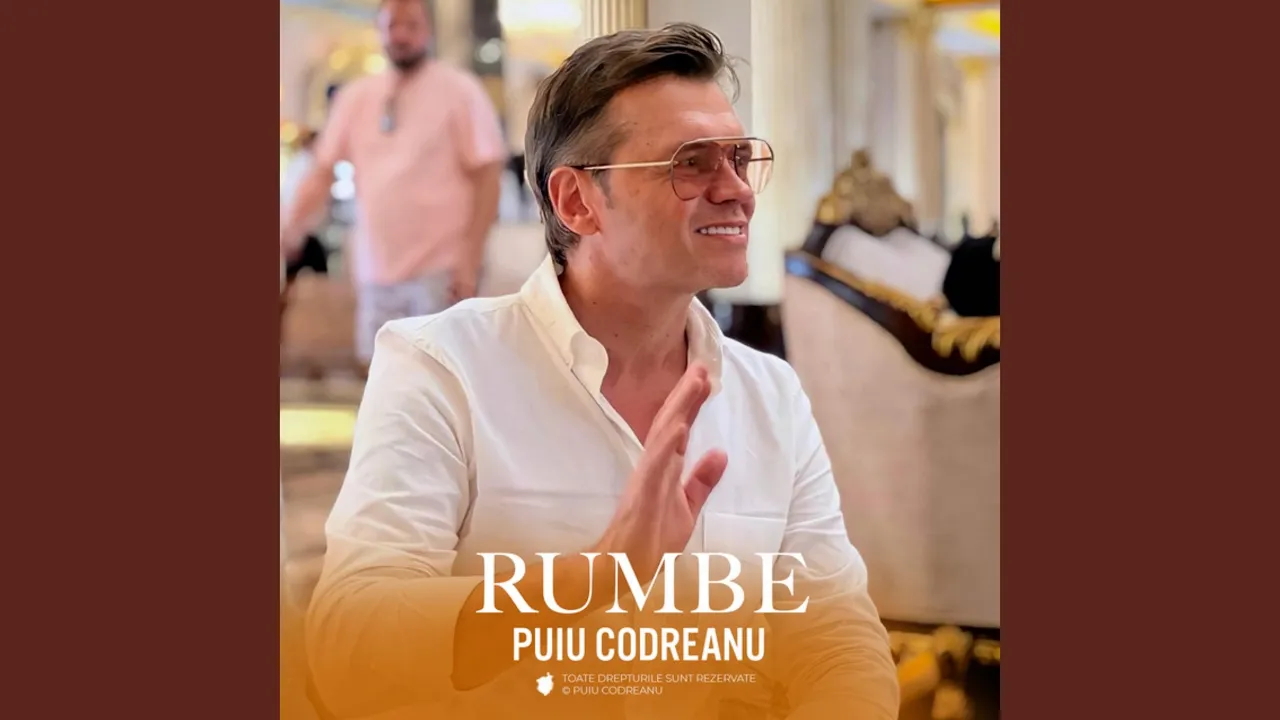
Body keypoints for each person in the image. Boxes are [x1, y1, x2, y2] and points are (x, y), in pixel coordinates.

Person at [306, 22, 899, 720]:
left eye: (740, 158)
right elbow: (351, 646)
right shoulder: (441, 368)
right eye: (692, 163)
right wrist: (599, 573)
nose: (737, 189)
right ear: (577, 202)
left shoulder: (770, 394)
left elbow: (837, 638)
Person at [279, 0, 506, 377]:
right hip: (377, 271)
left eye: (411, 26)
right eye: (392, 26)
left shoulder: (459, 90)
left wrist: (470, 258)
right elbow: (321, 172)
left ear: (427, 31)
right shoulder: (357, 97)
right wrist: (290, 229)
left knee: (438, 380)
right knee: (381, 378)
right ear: (379, 31)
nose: (401, 35)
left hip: (442, 269)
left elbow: (488, 175)